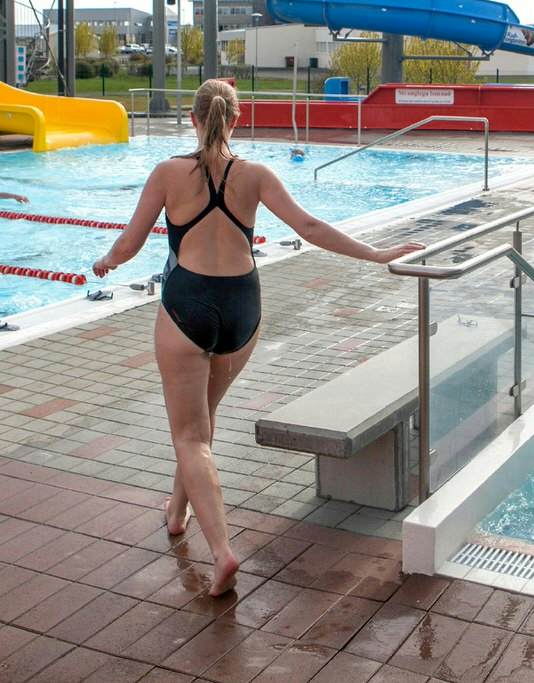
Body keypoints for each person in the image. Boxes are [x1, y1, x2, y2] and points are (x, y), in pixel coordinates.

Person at [91, 79, 424, 597]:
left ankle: (223, 553)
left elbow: (130, 245)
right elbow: (311, 228)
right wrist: (378, 255)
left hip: (187, 308)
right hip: (242, 310)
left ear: (192, 119)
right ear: (238, 119)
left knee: (190, 435)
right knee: (202, 420)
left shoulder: (167, 173)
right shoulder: (257, 175)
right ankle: (177, 511)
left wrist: (106, 261)